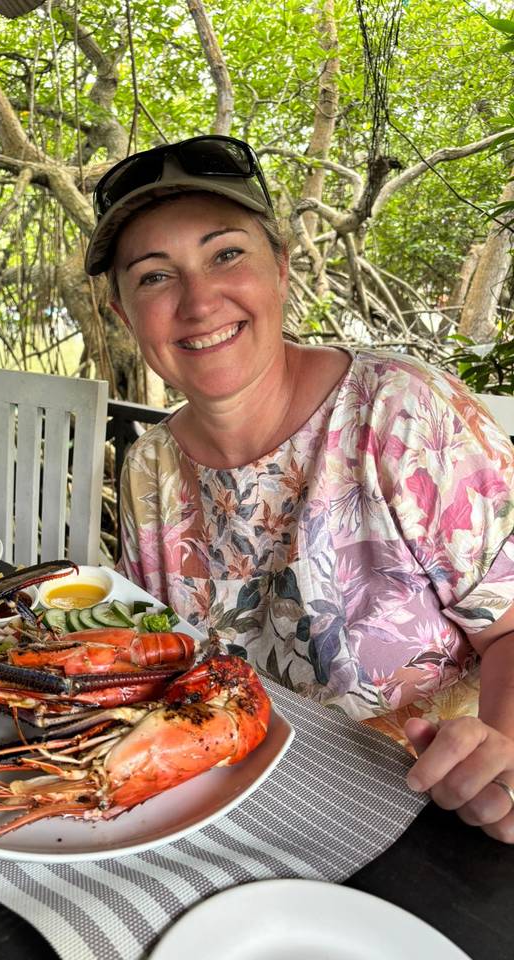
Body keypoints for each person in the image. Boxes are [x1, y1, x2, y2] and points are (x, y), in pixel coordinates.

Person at [84, 134, 514, 843]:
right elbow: (171, 657)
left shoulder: (400, 412)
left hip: (423, 819)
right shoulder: (150, 465)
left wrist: (499, 755)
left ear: (281, 269)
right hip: (229, 813)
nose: (198, 301)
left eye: (227, 254)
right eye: (156, 276)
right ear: (125, 316)